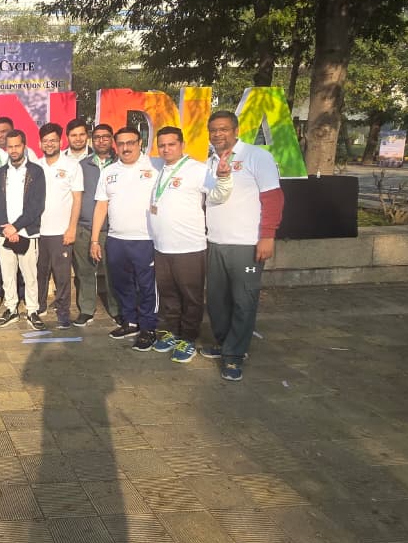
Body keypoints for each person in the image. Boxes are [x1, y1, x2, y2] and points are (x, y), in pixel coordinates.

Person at [203, 111, 284, 382]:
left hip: (246, 244)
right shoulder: (209, 161)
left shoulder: (256, 156)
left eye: (224, 129)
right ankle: (225, 342)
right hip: (216, 242)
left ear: (236, 130)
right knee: (217, 300)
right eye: (213, 130)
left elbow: (273, 197)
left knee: (243, 300)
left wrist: (267, 236)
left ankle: (234, 355)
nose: (218, 134)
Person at [146, 127, 229, 364]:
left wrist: (224, 177)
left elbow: (218, 195)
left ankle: (189, 339)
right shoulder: (160, 169)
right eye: (162, 145)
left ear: (182, 145)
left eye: (171, 144)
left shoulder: (197, 170)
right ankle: (172, 333)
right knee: (169, 295)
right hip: (163, 246)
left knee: (191, 297)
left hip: (189, 247)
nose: (166, 149)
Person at [90, 127, 159, 352]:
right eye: (121, 143)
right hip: (116, 239)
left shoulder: (155, 166)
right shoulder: (109, 171)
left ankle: (149, 328)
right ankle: (130, 322)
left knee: (147, 287)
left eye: (130, 142)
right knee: (122, 284)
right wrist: (94, 240)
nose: (125, 148)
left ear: (140, 143)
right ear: (116, 146)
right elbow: (101, 205)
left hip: (146, 239)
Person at [0, 130, 45, 330]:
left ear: (24, 146)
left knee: (30, 275)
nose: (13, 150)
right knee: (8, 274)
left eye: (17, 146)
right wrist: (6, 227)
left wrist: (16, 227)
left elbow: (36, 205)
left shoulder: (36, 172)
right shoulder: (0, 173)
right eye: (10, 146)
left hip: (27, 232)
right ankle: (11, 309)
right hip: (5, 233)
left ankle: (32, 310)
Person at [35, 122, 83, 328]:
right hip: (38, 231)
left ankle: (63, 311)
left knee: (62, 276)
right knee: (40, 272)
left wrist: (72, 228)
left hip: (61, 231)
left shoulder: (72, 165)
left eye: (53, 140)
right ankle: (39, 307)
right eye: (45, 141)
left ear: (60, 142)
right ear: (40, 143)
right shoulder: (36, 165)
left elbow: (77, 199)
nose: (49, 144)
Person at [73, 123, 117, 327]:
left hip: (112, 229)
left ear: (112, 139)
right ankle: (87, 309)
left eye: (105, 136)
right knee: (85, 271)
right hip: (85, 227)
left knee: (113, 272)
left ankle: (117, 309)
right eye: (97, 137)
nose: (101, 140)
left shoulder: (120, 164)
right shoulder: (82, 165)